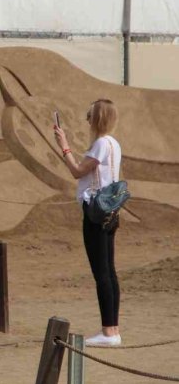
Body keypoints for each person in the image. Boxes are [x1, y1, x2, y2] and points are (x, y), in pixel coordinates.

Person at [54, 99, 122, 347]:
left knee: (102, 273)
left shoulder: (101, 144)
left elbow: (76, 171)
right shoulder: (113, 143)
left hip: (95, 211)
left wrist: (64, 147)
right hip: (110, 210)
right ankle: (112, 329)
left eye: (89, 115)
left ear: (97, 118)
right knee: (109, 272)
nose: (87, 119)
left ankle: (109, 331)